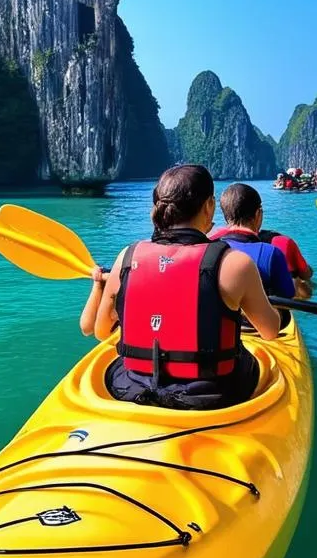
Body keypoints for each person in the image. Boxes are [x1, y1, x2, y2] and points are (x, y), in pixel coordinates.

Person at [80, 165, 281, 410]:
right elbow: (270, 331)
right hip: (211, 394)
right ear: (209, 206)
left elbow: (101, 333)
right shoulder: (235, 264)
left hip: (132, 387)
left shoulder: (126, 257)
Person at [209, 183, 295, 298]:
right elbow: (288, 295)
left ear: (225, 216)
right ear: (258, 214)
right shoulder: (271, 253)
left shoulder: (207, 249)